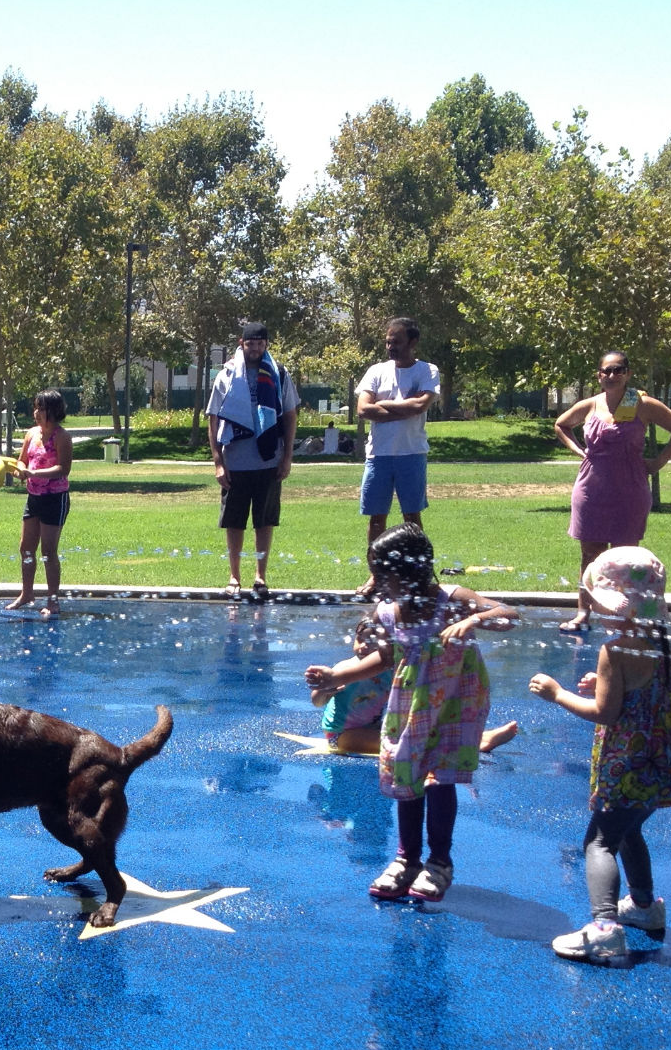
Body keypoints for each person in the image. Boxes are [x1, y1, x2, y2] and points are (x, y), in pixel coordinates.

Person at [305, 524, 515, 903]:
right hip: (410, 705)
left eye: (383, 574)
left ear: (409, 571)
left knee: (439, 779)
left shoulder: (453, 598)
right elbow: (382, 659)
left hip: (456, 704)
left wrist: (473, 619)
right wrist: (336, 674)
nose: (377, 584)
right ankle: (406, 860)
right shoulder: (390, 613)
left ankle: (438, 863)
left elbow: (508, 614)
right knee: (406, 776)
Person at [527, 549, 671, 964]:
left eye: (603, 606)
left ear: (626, 609)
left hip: (627, 761)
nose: (598, 614)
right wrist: (600, 682)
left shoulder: (615, 650)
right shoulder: (661, 641)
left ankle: (604, 928)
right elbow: (638, 693)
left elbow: (607, 712)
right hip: (661, 759)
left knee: (599, 840)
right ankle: (642, 905)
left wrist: (558, 693)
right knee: (630, 828)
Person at [552, 350, 671, 633]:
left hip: (629, 488)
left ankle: (628, 617)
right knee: (589, 556)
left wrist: (659, 461)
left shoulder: (641, 404)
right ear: (599, 375)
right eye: (607, 371)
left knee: (627, 559)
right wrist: (579, 450)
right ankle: (583, 613)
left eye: (618, 370)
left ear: (627, 373)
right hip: (592, 489)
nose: (612, 375)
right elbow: (561, 425)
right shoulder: (591, 404)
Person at [310, 614, 519, 759]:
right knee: (408, 746)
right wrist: (324, 690)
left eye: (373, 641)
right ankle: (477, 741)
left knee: (418, 730)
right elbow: (317, 701)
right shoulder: (347, 668)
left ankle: (469, 735)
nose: (364, 646)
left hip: (377, 728)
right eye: (360, 639)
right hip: (341, 735)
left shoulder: (392, 669)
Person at [207, 321, 295, 601]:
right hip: (236, 462)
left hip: (268, 459)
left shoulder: (279, 373)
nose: (255, 348)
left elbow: (290, 415)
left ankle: (260, 576)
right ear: (241, 343)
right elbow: (214, 418)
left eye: (260, 343)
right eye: (250, 343)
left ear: (266, 344)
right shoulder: (227, 375)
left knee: (264, 521)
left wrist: (288, 457)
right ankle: (234, 576)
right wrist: (218, 462)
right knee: (234, 522)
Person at [354, 318, 440, 587]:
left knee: (412, 518)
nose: (390, 346)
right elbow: (363, 410)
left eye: (397, 342)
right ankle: (376, 575)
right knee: (376, 518)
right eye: (388, 341)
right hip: (378, 455)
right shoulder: (376, 371)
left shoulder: (427, 370)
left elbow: (421, 406)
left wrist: (385, 406)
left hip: (411, 454)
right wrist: (404, 406)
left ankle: (420, 576)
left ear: (412, 343)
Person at [7, 389, 72, 614]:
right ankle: (27, 593)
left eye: (41, 408)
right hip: (33, 497)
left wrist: (35, 474)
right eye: (36, 407)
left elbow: (63, 469)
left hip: (55, 498)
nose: (36, 412)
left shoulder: (62, 436)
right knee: (26, 548)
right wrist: (21, 471)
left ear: (53, 411)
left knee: (48, 551)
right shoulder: (31, 434)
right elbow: (21, 462)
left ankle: (53, 601)